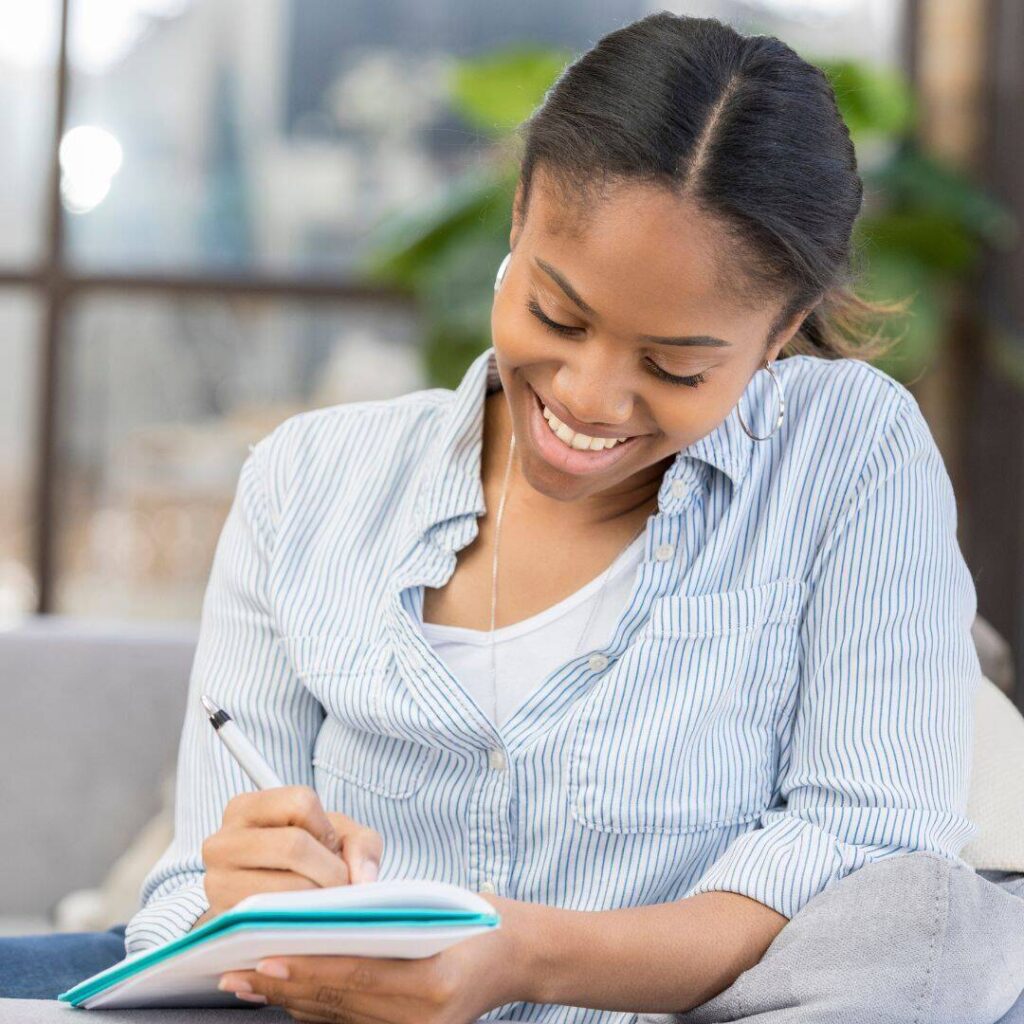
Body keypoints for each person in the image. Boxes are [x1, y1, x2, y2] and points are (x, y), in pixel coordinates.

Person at [4, 12, 1024, 1023]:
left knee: (936, 929)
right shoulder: (308, 482)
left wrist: (523, 954)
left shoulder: (842, 452)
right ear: (518, 217)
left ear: (782, 330)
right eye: (555, 314)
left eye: (674, 366)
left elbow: (865, 855)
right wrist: (243, 900)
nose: (588, 397)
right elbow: (184, 902)